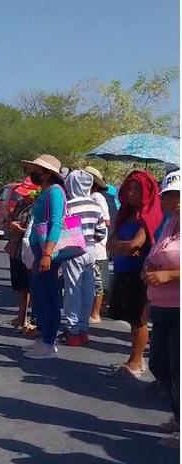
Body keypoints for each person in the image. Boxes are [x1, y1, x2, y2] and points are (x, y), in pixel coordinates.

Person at [108, 170, 162, 377]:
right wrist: (122, 247)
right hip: (123, 272)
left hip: (139, 274)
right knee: (131, 318)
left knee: (139, 318)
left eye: (137, 189)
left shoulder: (147, 216)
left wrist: (119, 246)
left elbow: (135, 244)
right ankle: (134, 357)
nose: (131, 192)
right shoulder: (125, 214)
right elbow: (110, 243)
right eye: (129, 187)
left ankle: (137, 360)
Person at [143, 172, 180, 448]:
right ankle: (178, 417)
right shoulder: (169, 225)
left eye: (179, 195)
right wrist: (151, 269)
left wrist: (169, 276)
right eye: (169, 195)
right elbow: (155, 256)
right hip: (161, 306)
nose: (175, 200)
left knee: (178, 369)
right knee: (159, 364)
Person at [22, 154, 65, 360]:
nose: (33, 174)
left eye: (37, 170)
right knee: (40, 296)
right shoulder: (46, 192)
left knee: (50, 298)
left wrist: (47, 253)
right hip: (40, 252)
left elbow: (56, 223)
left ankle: (49, 343)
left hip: (48, 253)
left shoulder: (55, 192)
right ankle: (43, 338)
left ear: (48, 173)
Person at [60, 170, 106, 346]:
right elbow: (101, 232)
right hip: (91, 250)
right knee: (88, 290)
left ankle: (72, 331)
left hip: (73, 250)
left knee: (72, 291)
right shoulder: (95, 205)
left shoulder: (69, 205)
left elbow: (65, 231)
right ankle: (83, 328)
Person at [4, 189, 38, 330]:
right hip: (16, 248)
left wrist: (21, 230)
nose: (24, 196)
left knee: (30, 285)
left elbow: (36, 230)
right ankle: (21, 316)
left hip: (30, 250)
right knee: (19, 285)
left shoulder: (38, 206)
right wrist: (10, 223)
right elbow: (10, 218)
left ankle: (32, 319)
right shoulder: (20, 204)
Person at [84, 167, 112, 324]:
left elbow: (106, 221)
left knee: (96, 281)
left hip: (97, 246)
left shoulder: (97, 198)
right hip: (90, 246)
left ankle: (95, 313)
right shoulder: (90, 197)